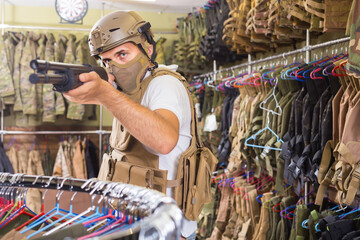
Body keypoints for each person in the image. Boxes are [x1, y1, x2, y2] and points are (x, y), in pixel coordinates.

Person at [63, 10, 197, 239]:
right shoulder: (129, 92)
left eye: (123, 54)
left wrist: (105, 94)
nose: (114, 66)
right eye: (106, 61)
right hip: (135, 220)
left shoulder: (165, 84)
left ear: (148, 49)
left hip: (166, 227)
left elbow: (164, 141)